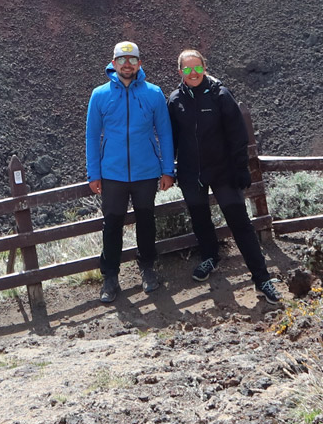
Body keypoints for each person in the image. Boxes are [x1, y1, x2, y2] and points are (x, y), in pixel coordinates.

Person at [167, 50, 280, 303]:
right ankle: (210, 257)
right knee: (200, 218)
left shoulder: (220, 95)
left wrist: (241, 169)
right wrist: (168, 169)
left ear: (205, 67)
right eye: (187, 69)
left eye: (197, 68)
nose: (192, 73)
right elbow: (170, 139)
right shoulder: (175, 100)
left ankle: (261, 279)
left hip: (223, 171)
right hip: (191, 173)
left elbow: (238, 136)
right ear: (180, 73)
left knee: (240, 223)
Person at [85, 40, 175, 304]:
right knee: (112, 224)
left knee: (146, 221)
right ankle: (110, 277)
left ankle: (148, 268)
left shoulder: (153, 93)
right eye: (122, 60)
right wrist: (94, 173)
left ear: (139, 64)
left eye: (132, 60)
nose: (127, 65)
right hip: (111, 172)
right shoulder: (99, 95)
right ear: (113, 64)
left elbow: (165, 133)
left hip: (146, 171)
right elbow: (91, 136)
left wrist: (167, 169)